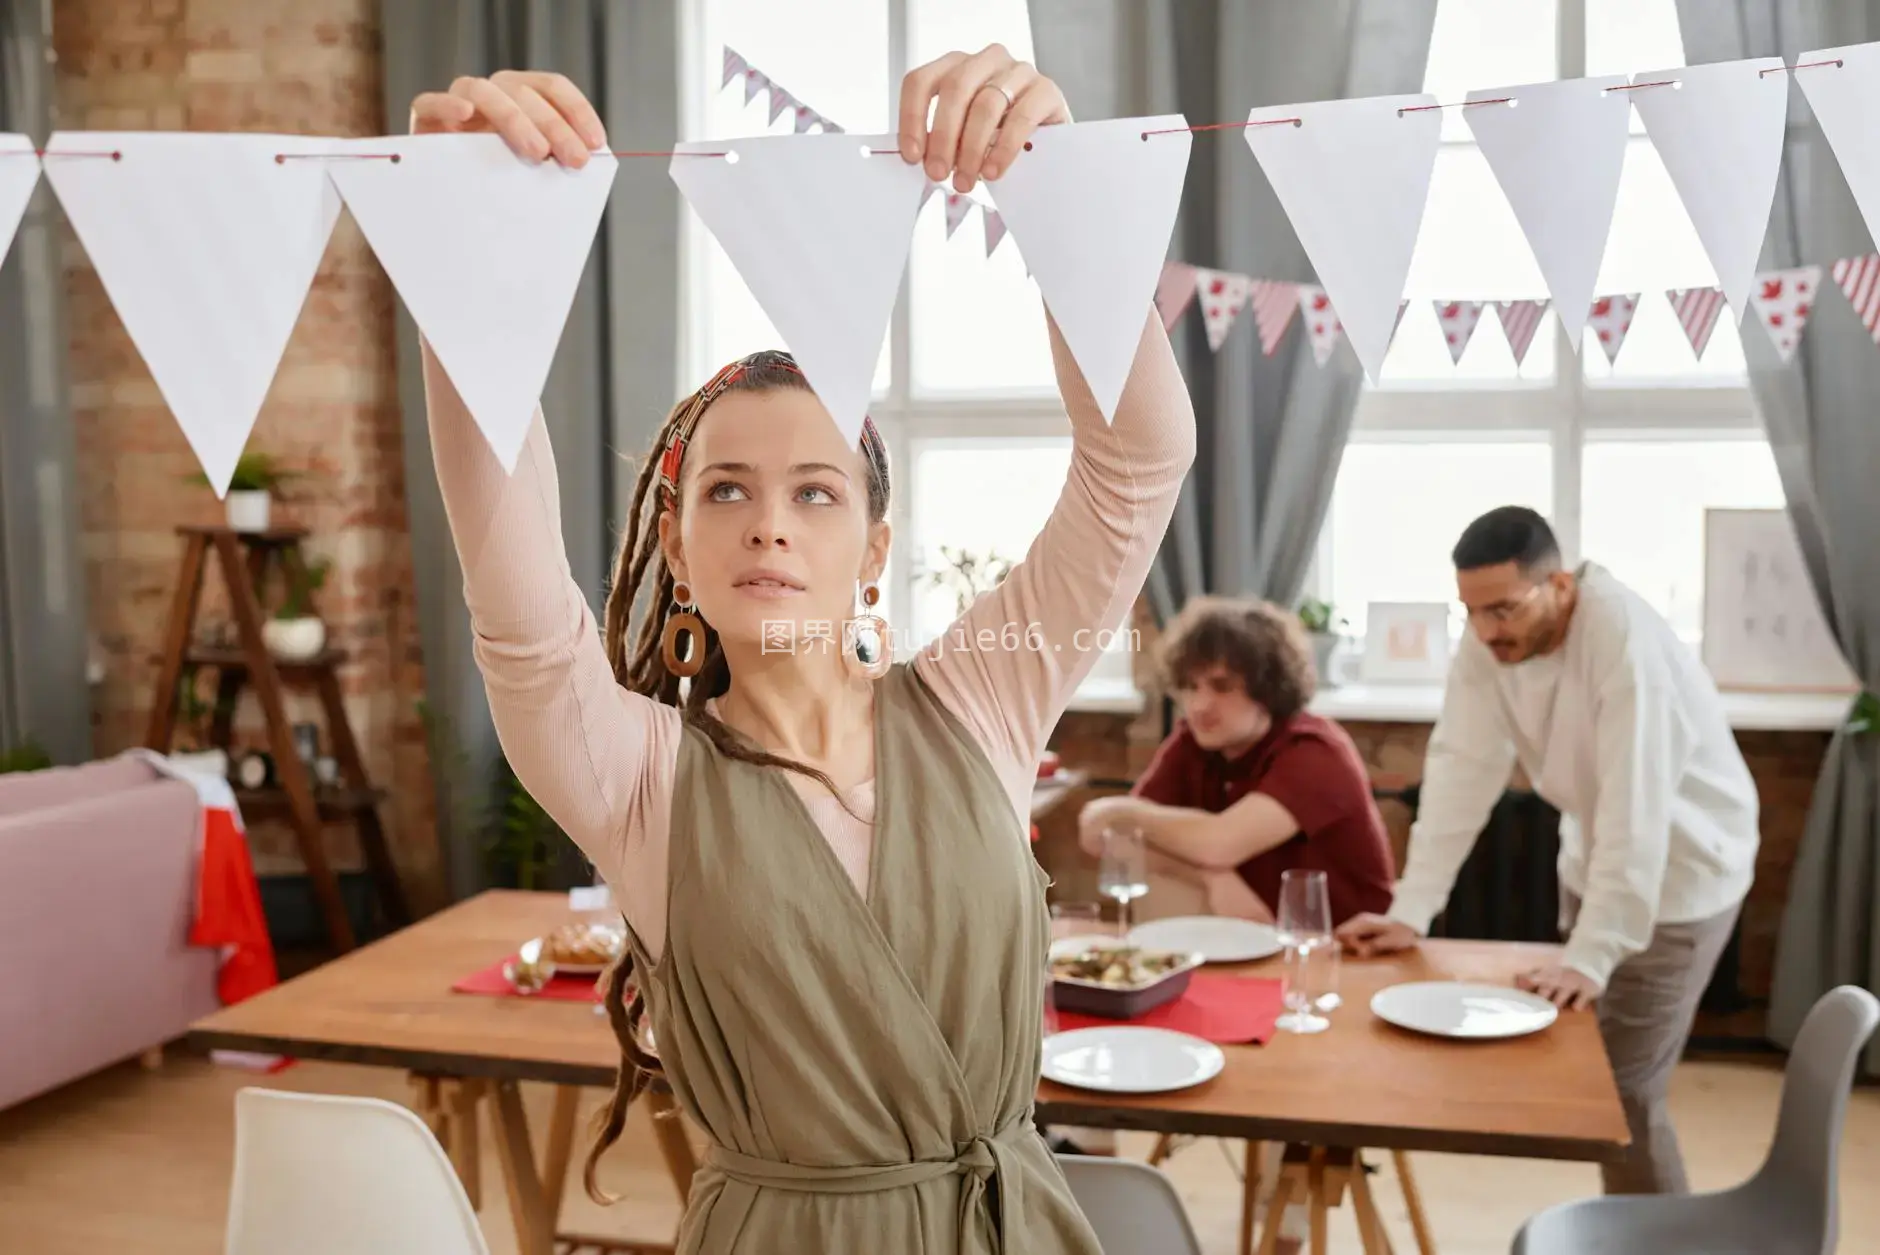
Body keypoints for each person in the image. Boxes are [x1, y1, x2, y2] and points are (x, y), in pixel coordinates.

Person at [410, 50, 1195, 1255]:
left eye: (815, 492)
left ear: (873, 549)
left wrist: (1057, 190)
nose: (769, 519)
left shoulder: (981, 697)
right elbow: (514, 591)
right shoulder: (634, 773)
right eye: (726, 489)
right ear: (673, 541)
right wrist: (464, 242)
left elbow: (1136, 464)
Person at [1336, 506, 1759, 1197]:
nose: (1485, 631)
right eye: (1470, 611)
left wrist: (1594, 953)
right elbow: (1460, 769)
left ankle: (1663, 1245)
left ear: (1559, 583)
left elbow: (1636, 807)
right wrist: (1412, 909)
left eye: (1502, 609)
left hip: (1684, 876)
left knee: (1622, 1098)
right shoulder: (1489, 639)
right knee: (1593, 1084)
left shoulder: (1626, 641)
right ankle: (1629, 1234)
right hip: (1596, 863)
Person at [1078, 595, 1395, 928]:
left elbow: (1219, 844)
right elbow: (1101, 838)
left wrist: (1125, 811)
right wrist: (1211, 877)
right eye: (1190, 687)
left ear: (1267, 689)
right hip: (1254, 939)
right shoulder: (1196, 742)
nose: (1199, 705)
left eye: (1221, 686)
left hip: (1347, 947)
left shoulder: (1315, 752)